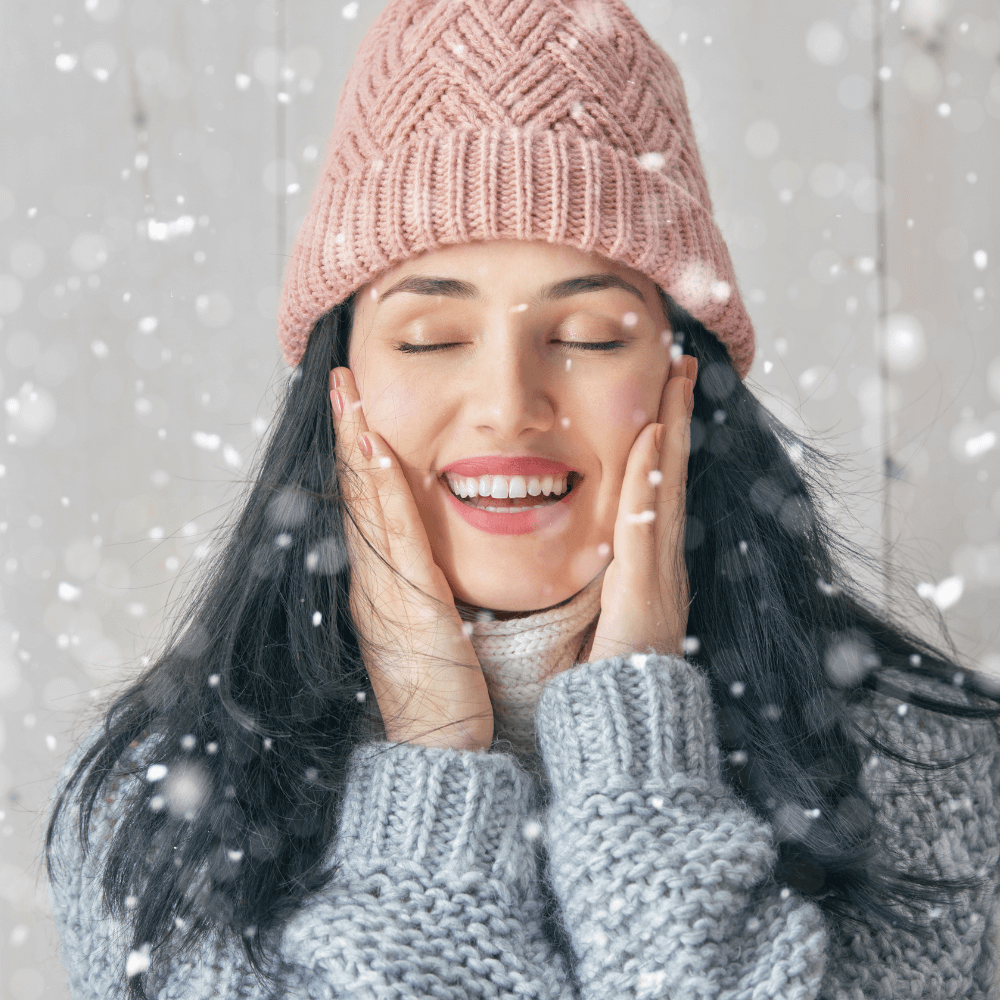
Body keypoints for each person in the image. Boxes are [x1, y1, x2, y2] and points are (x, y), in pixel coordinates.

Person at [45, 0, 1000, 997]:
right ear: (340, 387)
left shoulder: (916, 762)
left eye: (588, 335)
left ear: (685, 381)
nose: (508, 406)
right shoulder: (155, 809)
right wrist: (431, 772)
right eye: (430, 337)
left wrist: (642, 758)